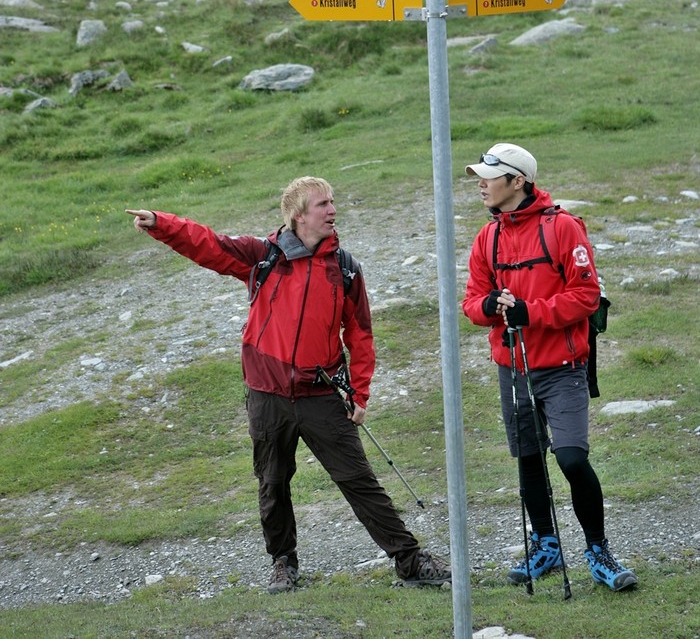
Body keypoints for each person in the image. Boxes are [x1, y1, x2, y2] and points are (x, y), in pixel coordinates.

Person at [126, 176, 450, 594]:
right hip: (268, 393)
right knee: (273, 482)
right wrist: (161, 223)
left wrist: (360, 392)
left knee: (358, 480)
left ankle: (408, 560)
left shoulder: (346, 268)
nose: (332, 209)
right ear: (298, 216)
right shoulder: (262, 256)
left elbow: (361, 334)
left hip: (322, 393)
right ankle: (283, 562)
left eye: (333, 201)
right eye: (322, 204)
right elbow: (208, 244)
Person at [461, 144, 637, 592]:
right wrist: (487, 305)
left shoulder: (563, 228)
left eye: (490, 176)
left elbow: (586, 296)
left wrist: (529, 312)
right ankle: (546, 545)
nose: (481, 183)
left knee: (572, 457)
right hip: (513, 366)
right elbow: (471, 303)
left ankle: (597, 549)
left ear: (517, 181)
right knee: (528, 459)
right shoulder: (487, 238)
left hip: (563, 367)